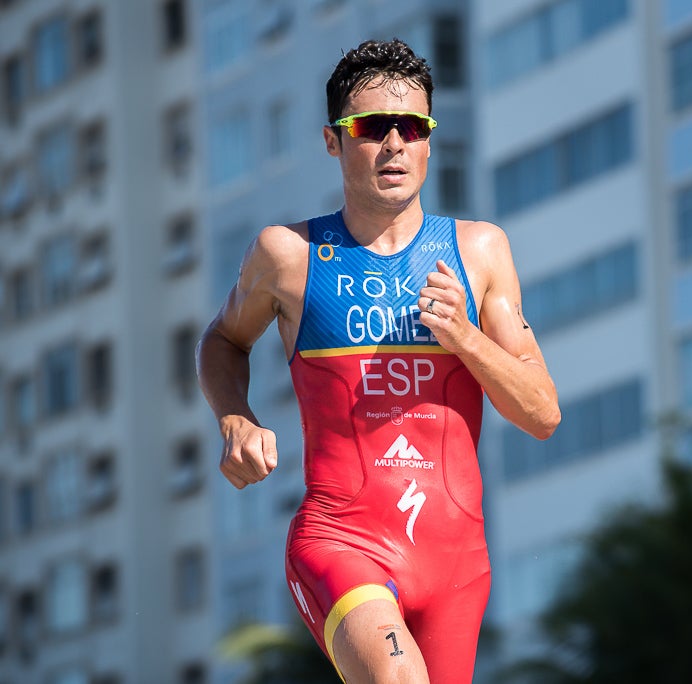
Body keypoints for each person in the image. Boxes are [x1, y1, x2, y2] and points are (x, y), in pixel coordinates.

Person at [196, 39, 560, 684]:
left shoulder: (478, 251)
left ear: (427, 141)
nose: (394, 144)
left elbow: (541, 413)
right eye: (370, 128)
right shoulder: (288, 254)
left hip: (457, 561)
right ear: (334, 142)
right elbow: (224, 341)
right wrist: (235, 418)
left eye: (412, 127)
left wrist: (465, 338)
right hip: (343, 540)